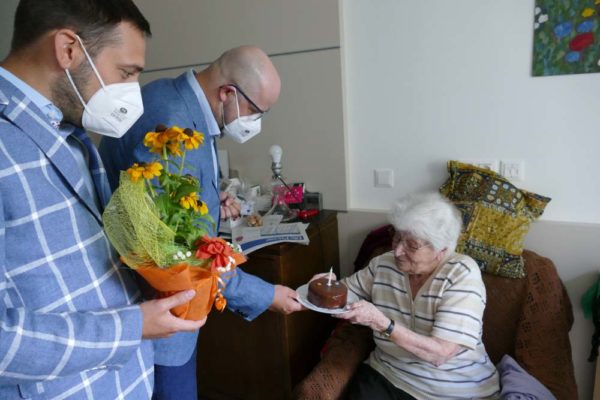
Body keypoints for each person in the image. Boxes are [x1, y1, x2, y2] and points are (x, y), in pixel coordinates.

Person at [0, 1, 208, 398]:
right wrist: (133, 326)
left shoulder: (70, 134)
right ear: (68, 49)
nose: (131, 93)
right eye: (125, 73)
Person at [99, 46, 302, 400]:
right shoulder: (172, 122)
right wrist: (267, 295)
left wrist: (211, 198)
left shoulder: (174, 95)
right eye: (254, 111)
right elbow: (177, 251)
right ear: (227, 93)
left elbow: (168, 195)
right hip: (157, 311)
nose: (256, 123)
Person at [333, 193, 500, 399]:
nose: (397, 251)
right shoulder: (383, 264)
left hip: (453, 389)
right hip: (388, 374)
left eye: (412, 245)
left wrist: (382, 323)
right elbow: (344, 292)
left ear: (442, 250)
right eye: (397, 238)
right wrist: (326, 287)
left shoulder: (461, 273)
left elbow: (440, 354)